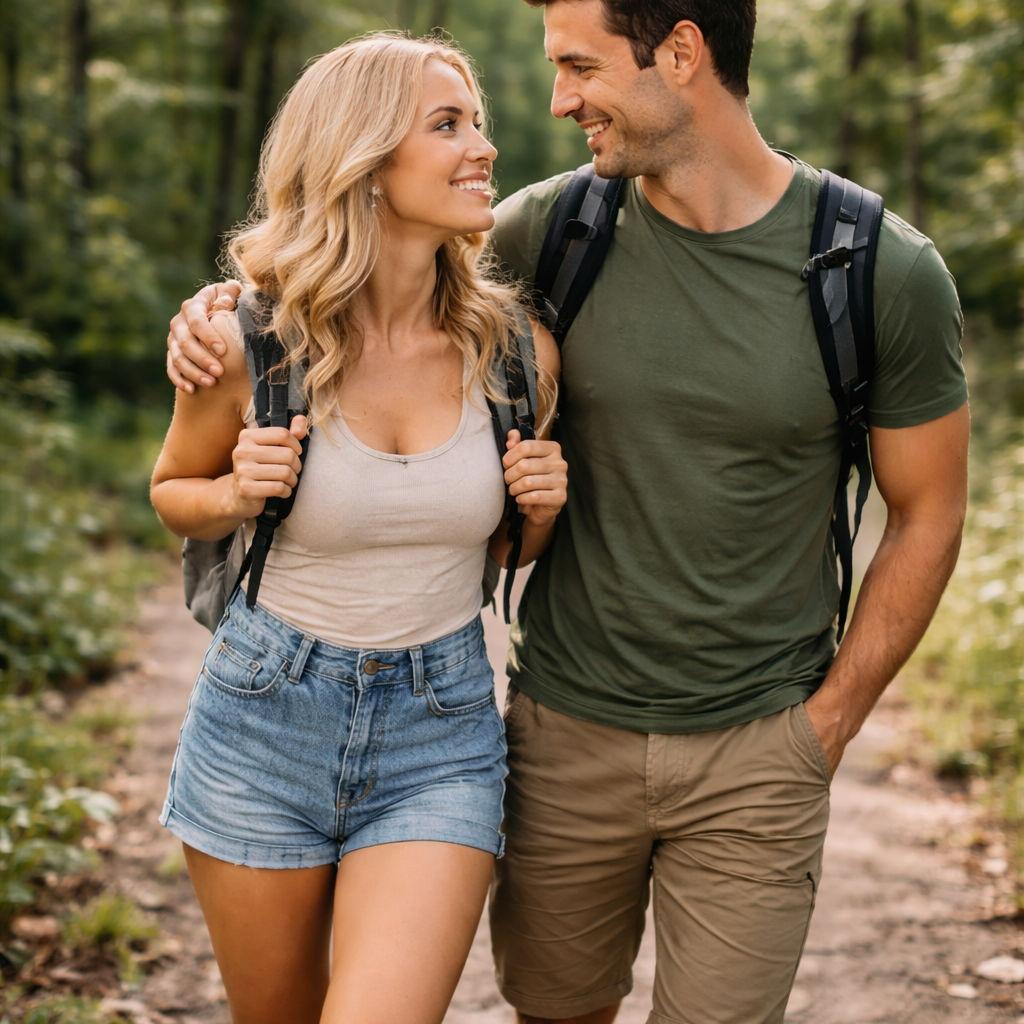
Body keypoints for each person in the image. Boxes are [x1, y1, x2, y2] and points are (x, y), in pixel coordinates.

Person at [166, 3, 970, 1022]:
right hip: (560, 735)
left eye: (578, 66)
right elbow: (347, 267)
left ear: (679, 54)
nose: (554, 103)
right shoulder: (549, 231)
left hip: (757, 748)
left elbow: (929, 509)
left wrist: (830, 722)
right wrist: (207, 315)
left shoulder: (876, 270)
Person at [150, 32, 567, 1024]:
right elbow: (172, 487)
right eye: (447, 124)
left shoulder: (518, 352)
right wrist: (237, 493)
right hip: (261, 722)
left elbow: (506, 552)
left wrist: (540, 509)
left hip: (440, 732)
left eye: (477, 123)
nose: (484, 149)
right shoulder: (244, 335)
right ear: (362, 159)